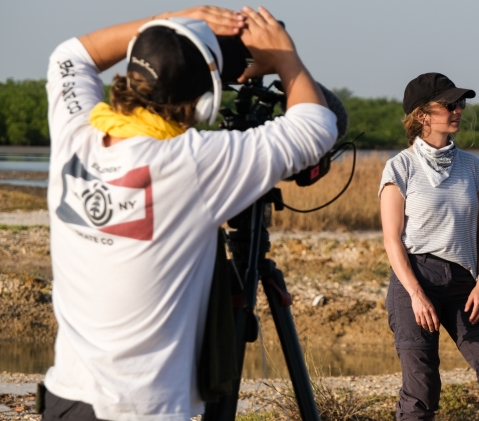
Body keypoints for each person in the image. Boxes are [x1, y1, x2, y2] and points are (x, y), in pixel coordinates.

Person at [44, 5, 337, 420]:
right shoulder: (190, 165)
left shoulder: (76, 132)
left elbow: (70, 56)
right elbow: (316, 128)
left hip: (66, 397)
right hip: (146, 410)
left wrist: (168, 23)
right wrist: (284, 57)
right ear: (202, 106)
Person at [379, 73, 479, 421]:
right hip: (416, 278)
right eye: (449, 104)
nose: (458, 109)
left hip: (465, 282)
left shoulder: (472, 167)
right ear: (422, 115)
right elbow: (391, 239)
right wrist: (416, 294)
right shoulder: (400, 167)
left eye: (461, 103)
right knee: (421, 393)